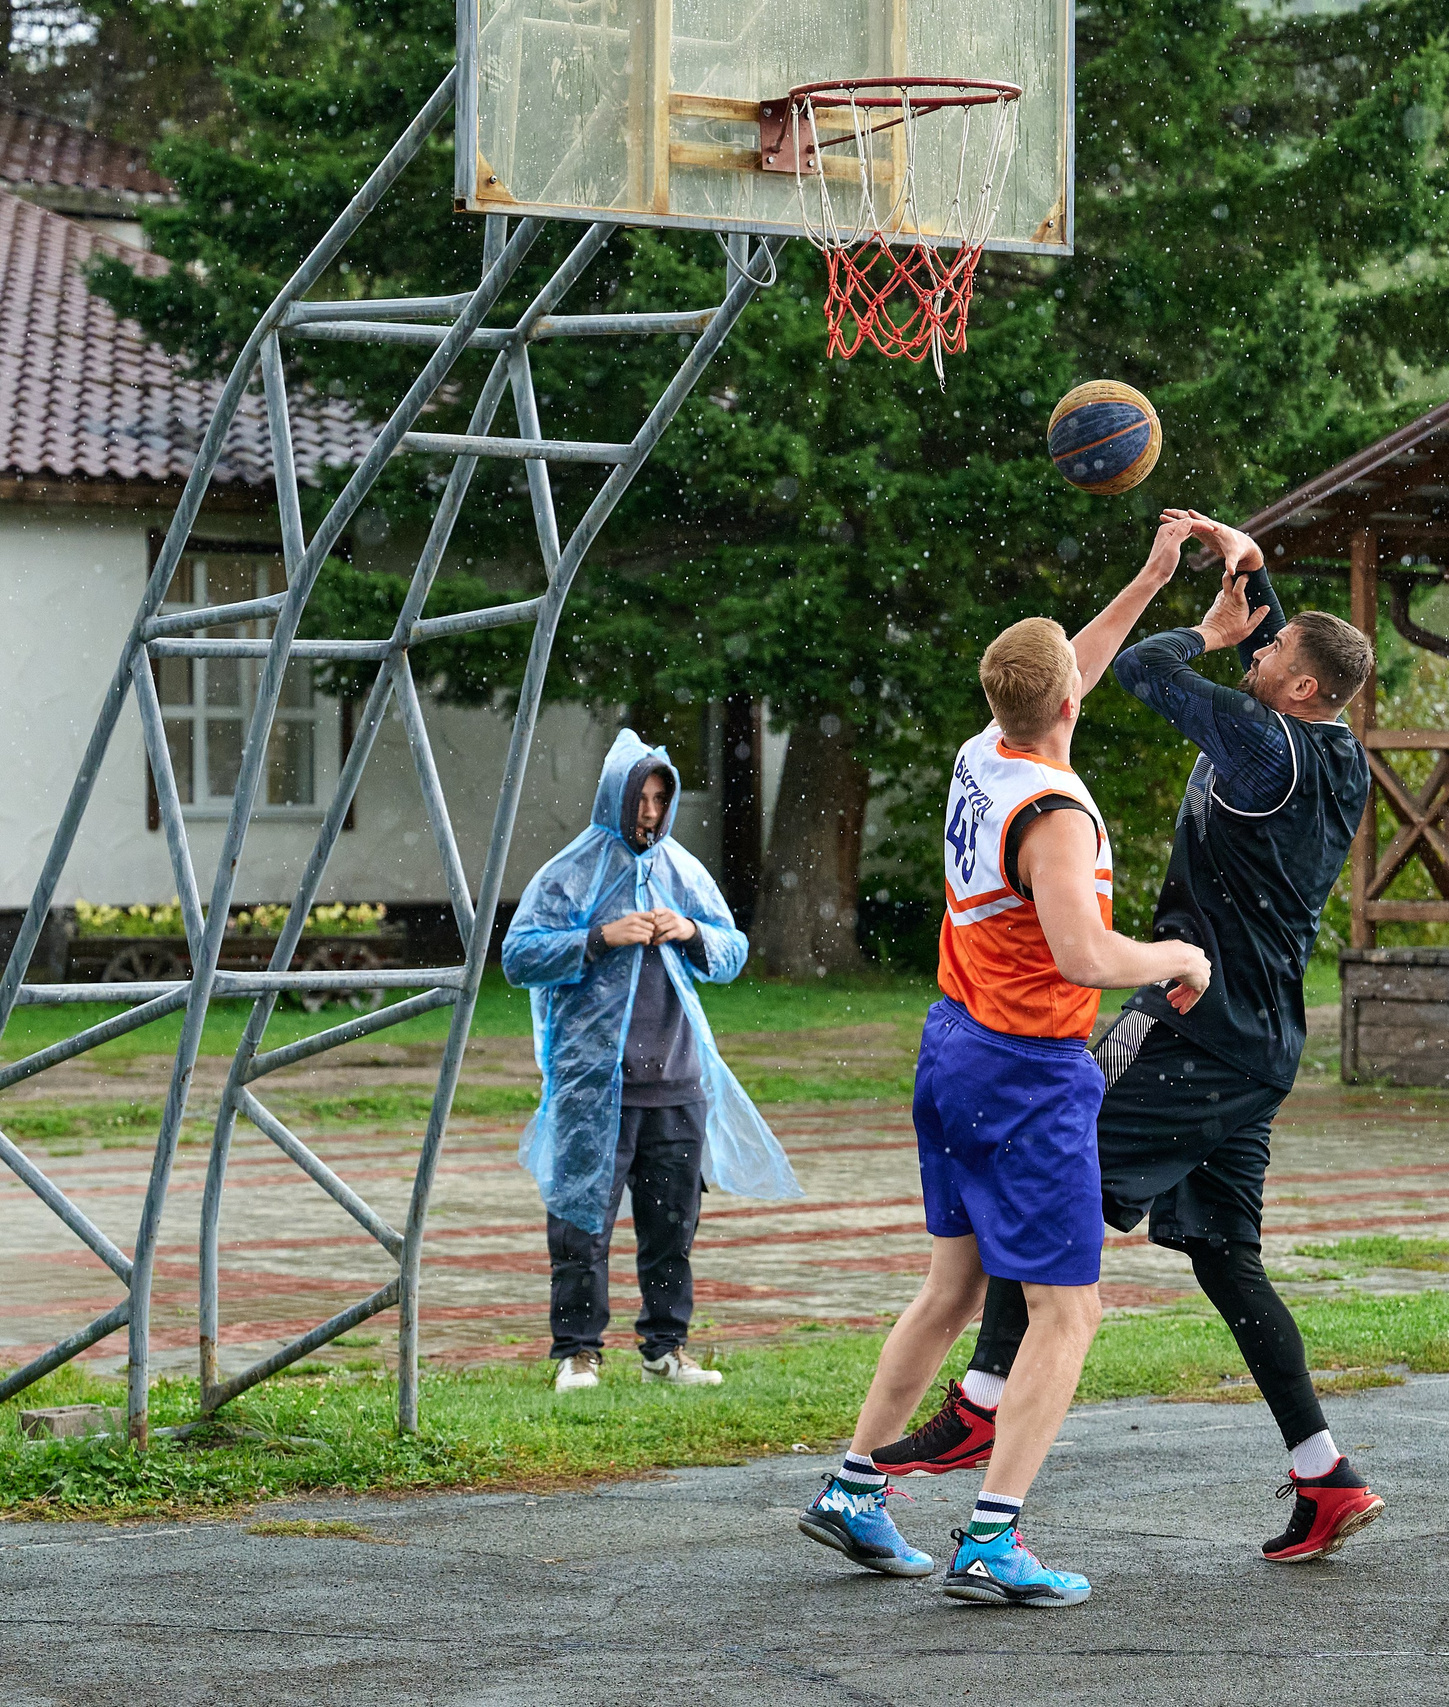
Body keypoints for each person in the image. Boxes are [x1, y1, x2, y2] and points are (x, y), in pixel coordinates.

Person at [872, 511, 1386, 1565]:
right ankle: (1324, 1473)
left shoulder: (1262, 742)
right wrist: (1246, 563)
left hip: (1196, 1023)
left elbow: (1152, 668)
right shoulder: (1328, 745)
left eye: (1269, 647)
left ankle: (978, 1398)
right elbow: (1286, 652)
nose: (1255, 641)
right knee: (1225, 1257)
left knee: (1050, 1183)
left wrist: (1195, 619)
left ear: (1295, 689)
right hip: (1267, 1039)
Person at [797, 609, 1210, 1606]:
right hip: (1024, 1074)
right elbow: (1085, 957)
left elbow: (1064, 675)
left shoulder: (985, 752)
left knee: (952, 1291)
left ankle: (854, 1490)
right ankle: (991, 1540)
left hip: (952, 1047)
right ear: (1068, 702)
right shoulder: (1057, 818)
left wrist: (1156, 583)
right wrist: (1175, 959)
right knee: (1067, 1312)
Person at [504, 730, 802, 1395]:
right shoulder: (568, 873)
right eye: (640, 796)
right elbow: (519, 955)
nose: (649, 810)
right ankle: (577, 1352)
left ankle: (665, 1348)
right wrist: (598, 937)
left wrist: (691, 932)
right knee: (580, 1223)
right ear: (616, 797)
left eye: (660, 796)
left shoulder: (683, 870)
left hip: (677, 1084)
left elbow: (731, 949)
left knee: (673, 1225)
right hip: (593, 1086)